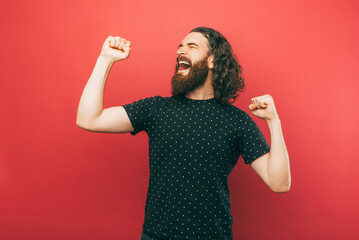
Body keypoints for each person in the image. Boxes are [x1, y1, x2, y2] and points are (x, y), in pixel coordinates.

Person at [76, 27, 291, 240]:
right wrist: (105, 59)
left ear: (212, 61)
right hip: (156, 236)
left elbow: (279, 183)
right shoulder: (156, 109)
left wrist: (274, 121)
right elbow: (89, 119)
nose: (180, 51)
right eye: (180, 46)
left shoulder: (237, 120)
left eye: (191, 46)